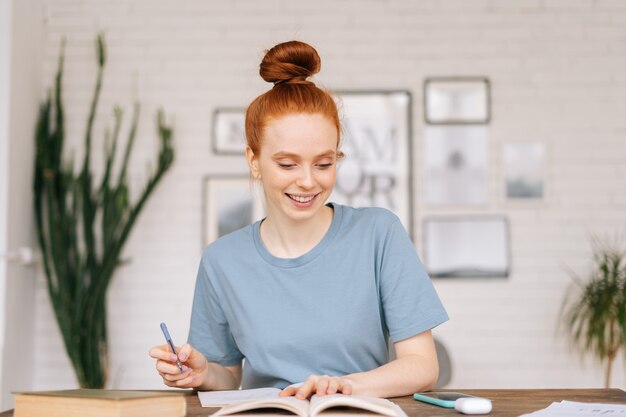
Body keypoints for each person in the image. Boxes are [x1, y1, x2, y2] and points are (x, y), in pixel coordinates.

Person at [149, 40, 448, 399]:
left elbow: (422, 365)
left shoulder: (378, 234)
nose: (308, 181)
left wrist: (345, 386)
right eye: (287, 164)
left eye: (324, 163)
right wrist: (200, 373)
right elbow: (227, 377)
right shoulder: (222, 260)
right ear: (254, 160)